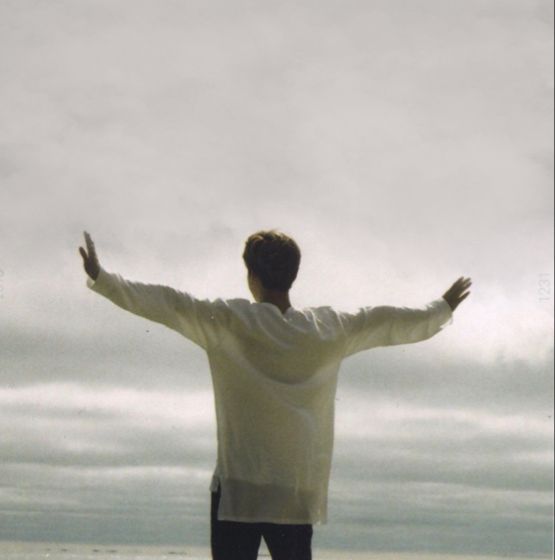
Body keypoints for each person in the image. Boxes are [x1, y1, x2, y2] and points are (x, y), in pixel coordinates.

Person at [79, 228, 471, 560]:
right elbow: (387, 322)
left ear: (252, 275)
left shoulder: (229, 321)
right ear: (292, 275)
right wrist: (440, 309)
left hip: (239, 491)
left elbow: (167, 303)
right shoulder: (327, 328)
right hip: (294, 493)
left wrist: (103, 278)